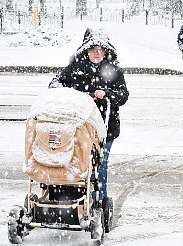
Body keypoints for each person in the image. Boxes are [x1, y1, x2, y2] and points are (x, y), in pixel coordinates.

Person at [49, 27, 129, 201]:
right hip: (78, 125)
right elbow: (55, 83)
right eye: (93, 48)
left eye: (101, 49)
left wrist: (106, 94)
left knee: (100, 165)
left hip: (106, 127)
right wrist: (68, 93)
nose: (97, 52)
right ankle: (74, 197)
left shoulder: (114, 70)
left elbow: (123, 95)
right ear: (86, 49)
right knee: (75, 162)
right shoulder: (75, 68)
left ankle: (99, 199)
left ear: (106, 50)